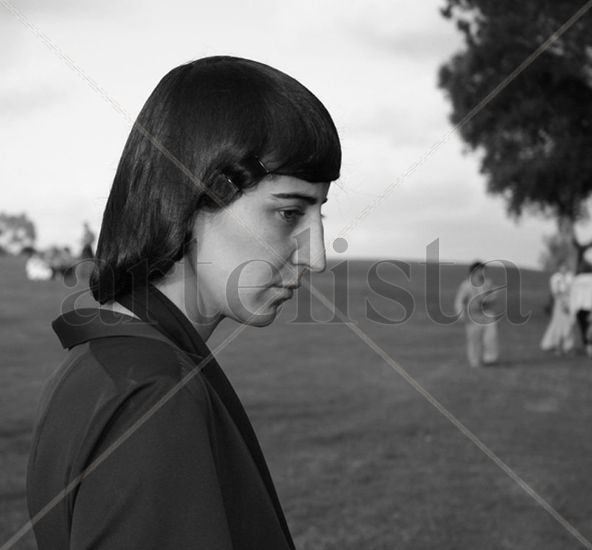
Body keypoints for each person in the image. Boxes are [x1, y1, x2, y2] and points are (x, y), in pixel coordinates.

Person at [27, 56, 341, 549]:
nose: (317, 256)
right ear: (192, 198)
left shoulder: (106, 358)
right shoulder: (153, 396)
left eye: (319, 214)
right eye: (287, 212)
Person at [454, 261, 499, 367]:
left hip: (487, 313)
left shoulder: (488, 283)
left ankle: (490, 358)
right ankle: (475, 361)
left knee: (491, 336)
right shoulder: (466, 285)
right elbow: (459, 301)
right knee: (474, 339)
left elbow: (494, 294)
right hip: (473, 315)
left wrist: (490, 298)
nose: (482, 273)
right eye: (480, 270)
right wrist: (461, 314)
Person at [540, 262, 574, 355]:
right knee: (559, 325)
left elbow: (572, 290)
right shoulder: (556, 278)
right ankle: (558, 345)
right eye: (562, 267)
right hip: (559, 302)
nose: (564, 269)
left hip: (569, 301)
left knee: (568, 325)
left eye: (565, 267)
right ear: (559, 268)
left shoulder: (570, 277)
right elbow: (555, 292)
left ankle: (567, 346)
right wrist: (562, 301)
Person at [569, 262, 592, 356]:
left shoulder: (576, 280)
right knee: (590, 328)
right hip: (590, 306)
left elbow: (572, 296)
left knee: (583, 328)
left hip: (579, 307)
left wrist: (572, 310)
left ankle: (588, 347)